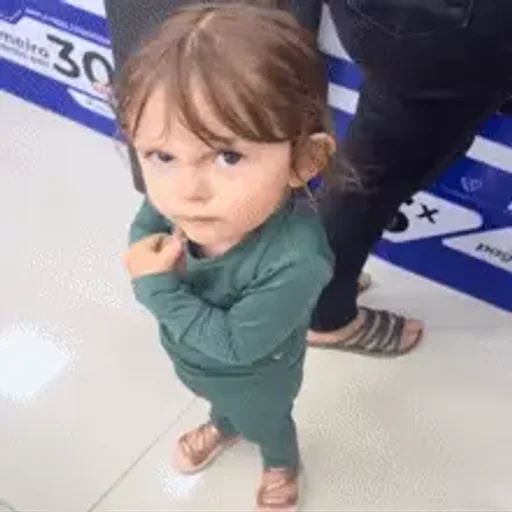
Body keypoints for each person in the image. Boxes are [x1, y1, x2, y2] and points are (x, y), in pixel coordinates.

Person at [115, 4, 339, 510]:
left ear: (304, 159)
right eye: (162, 156)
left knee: (268, 422)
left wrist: (156, 287)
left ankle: (280, 461)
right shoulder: (177, 199)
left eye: (228, 156)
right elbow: (148, 220)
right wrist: (142, 245)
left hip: (261, 378)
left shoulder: (298, 258)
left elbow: (238, 346)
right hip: (193, 359)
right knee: (221, 402)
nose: (187, 191)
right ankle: (224, 423)